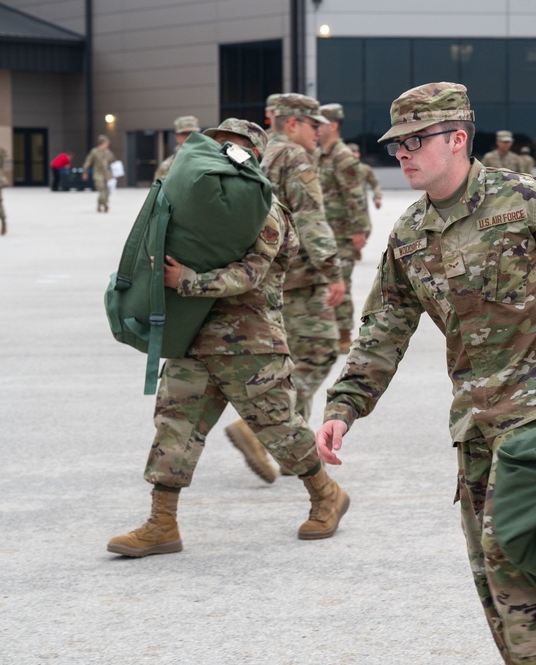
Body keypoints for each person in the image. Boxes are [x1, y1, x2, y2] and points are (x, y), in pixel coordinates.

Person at [314, 82, 536, 665]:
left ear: (457, 139)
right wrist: (342, 408)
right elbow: (383, 329)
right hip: (474, 423)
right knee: (487, 568)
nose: (402, 153)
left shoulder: (523, 200)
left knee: (509, 552)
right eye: (396, 144)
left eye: (415, 140)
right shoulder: (409, 235)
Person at [106, 119, 349, 558]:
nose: (224, 152)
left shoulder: (266, 209)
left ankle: (327, 496)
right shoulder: (199, 205)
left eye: (235, 147)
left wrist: (188, 281)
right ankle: (161, 524)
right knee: (172, 427)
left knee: (280, 430)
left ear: (254, 157)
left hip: (251, 344)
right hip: (195, 338)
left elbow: (251, 273)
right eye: (219, 144)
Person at [222, 93, 344, 484]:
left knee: (287, 361)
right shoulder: (294, 156)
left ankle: (293, 448)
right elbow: (311, 217)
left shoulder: (260, 154)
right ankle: (267, 431)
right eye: (313, 125)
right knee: (322, 350)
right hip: (300, 276)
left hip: (265, 276)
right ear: (292, 124)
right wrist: (332, 269)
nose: (318, 132)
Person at [316, 104, 371, 354]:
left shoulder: (343, 157)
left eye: (321, 123)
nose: (316, 128)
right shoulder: (320, 155)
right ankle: (328, 329)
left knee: (342, 285)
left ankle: (344, 334)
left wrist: (359, 231)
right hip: (324, 232)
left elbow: (355, 196)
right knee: (324, 282)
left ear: (334, 125)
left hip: (342, 231)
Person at [154, 115, 201, 180]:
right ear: (176, 137)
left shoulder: (209, 159)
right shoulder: (166, 166)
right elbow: (158, 188)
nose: (189, 137)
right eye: (184, 134)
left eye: (192, 133)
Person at [82, 135, 115, 213]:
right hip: (98, 174)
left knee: (106, 191)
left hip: (106, 174)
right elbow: (88, 162)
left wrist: (112, 172)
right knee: (102, 190)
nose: (107, 145)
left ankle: (99, 205)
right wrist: (85, 172)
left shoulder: (107, 152)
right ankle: (105, 204)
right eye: (106, 143)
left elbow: (112, 161)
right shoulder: (94, 152)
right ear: (102, 143)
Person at [348, 142, 383, 210]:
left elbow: (375, 183)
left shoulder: (365, 169)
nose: (351, 155)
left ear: (358, 154)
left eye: (353, 152)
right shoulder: (338, 170)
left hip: (361, 206)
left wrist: (377, 197)